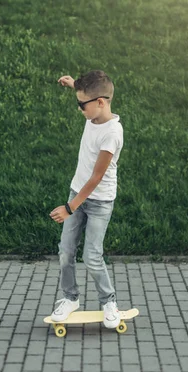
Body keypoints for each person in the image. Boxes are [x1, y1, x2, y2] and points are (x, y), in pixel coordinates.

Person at [49, 70, 124, 328]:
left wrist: (70, 207)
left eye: (82, 105)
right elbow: (89, 94)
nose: (79, 109)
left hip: (99, 201)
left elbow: (96, 177)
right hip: (77, 192)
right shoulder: (93, 110)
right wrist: (74, 85)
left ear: (100, 103)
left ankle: (108, 301)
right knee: (66, 251)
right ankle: (70, 298)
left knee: (92, 256)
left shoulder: (112, 133)